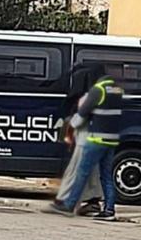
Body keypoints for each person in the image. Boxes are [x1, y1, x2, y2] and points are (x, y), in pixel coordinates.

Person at [45, 71, 124, 221]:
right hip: (112, 140)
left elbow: (82, 114)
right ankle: (109, 210)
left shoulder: (98, 90)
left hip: (96, 139)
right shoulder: (118, 90)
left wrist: (71, 126)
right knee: (107, 176)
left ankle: (68, 205)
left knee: (82, 172)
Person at [55, 63, 103, 217]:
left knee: (78, 170)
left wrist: (69, 128)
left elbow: (79, 118)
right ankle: (88, 202)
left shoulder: (87, 97)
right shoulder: (98, 94)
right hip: (93, 138)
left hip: (85, 138)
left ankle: (67, 201)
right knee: (88, 171)